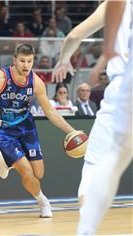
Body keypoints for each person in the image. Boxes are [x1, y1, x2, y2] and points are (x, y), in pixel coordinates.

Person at [0, 44, 79, 218]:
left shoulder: (36, 82)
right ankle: (43, 201)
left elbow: (50, 111)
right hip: (3, 130)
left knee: (38, 173)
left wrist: (71, 131)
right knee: (26, 172)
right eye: (22, 61)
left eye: (29, 61)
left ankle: (5, 160)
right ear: (14, 60)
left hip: (26, 127)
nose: (26, 65)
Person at [51, 0, 131, 234]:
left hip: (125, 87)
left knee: (94, 166)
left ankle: (86, 230)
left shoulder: (116, 4)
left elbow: (74, 36)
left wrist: (64, 60)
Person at [77, 0, 132, 235]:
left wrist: (107, 51)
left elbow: (117, 2)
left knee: (112, 157)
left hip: (124, 81)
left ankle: (86, 230)